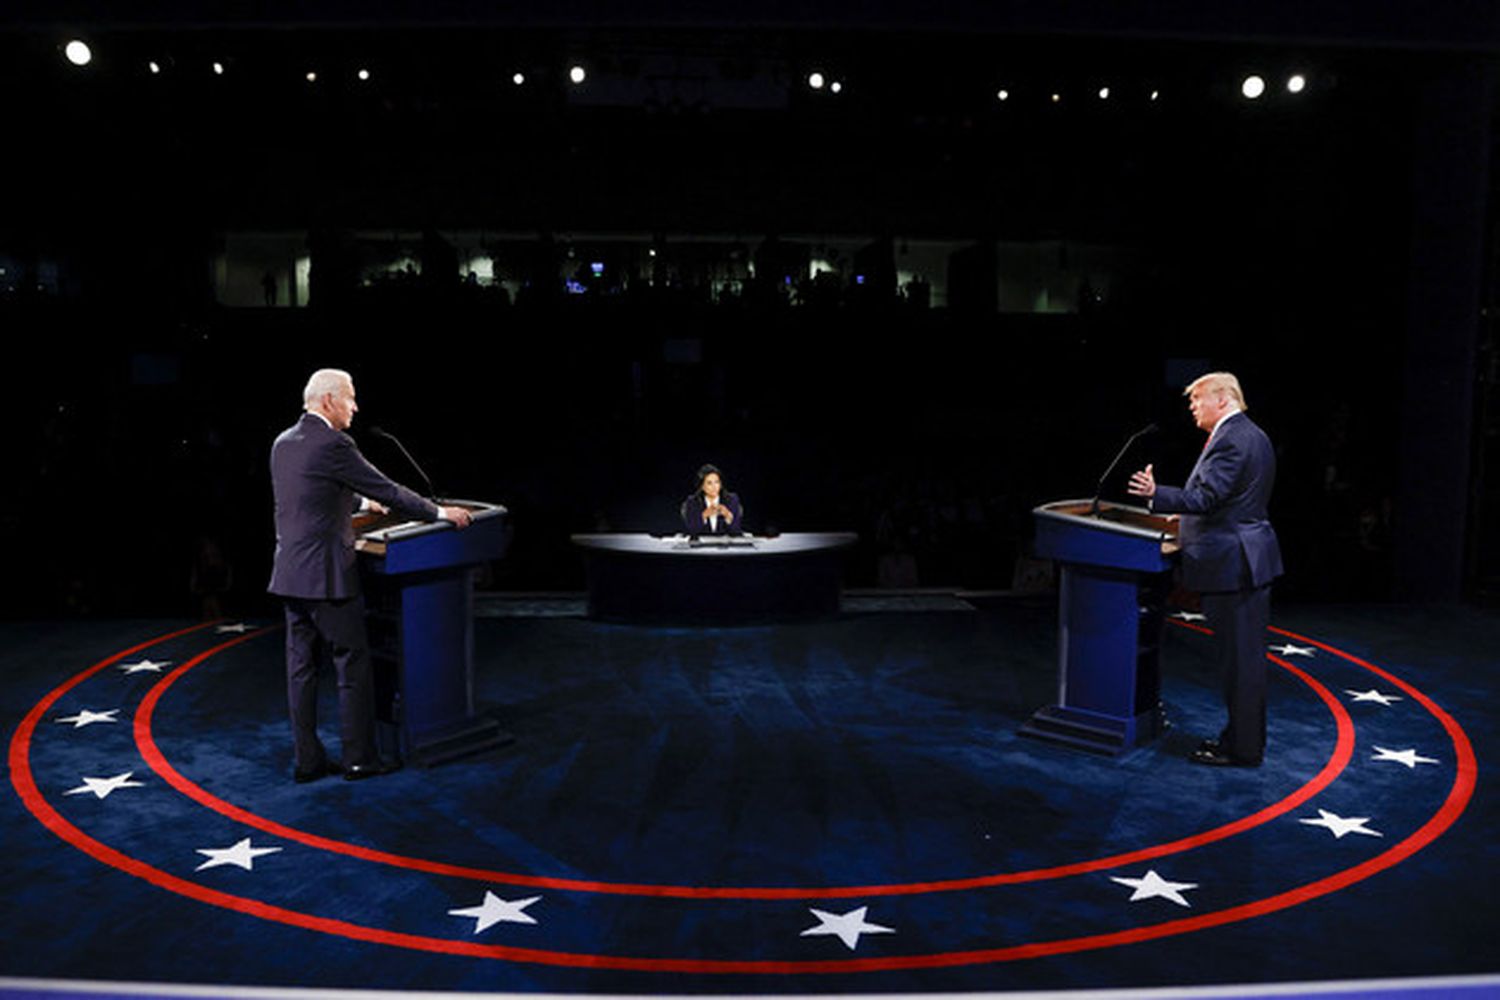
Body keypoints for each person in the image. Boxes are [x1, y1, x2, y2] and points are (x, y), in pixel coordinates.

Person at [268, 368, 472, 783]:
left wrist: (358, 500)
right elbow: (389, 488)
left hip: (290, 574)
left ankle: (307, 761)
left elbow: (311, 495)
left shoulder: (283, 443)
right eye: (350, 397)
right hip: (327, 576)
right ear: (328, 401)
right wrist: (438, 512)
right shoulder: (335, 442)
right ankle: (360, 758)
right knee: (352, 663)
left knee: (301, 670)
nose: (355, 406)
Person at [1128, 372, 1283, 767]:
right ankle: (1240, 741)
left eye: (1197, 399)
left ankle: (1243, 749)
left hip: (1235, 564)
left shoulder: (1233, 438)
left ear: (1223, 398)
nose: (1192, 407)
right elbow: (1228, 501)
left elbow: (1208, 497)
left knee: (1241, 665)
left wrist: (1155, 494)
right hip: (1241, 559)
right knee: (1241, 663)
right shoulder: (1250, 434)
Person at [679, 463, 743, 535]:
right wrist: (704, 515)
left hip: (725, 545)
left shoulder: (731, 500)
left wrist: (728, 515)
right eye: (709, 483)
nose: (714, 486)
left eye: (717, 482)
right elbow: (691, 531)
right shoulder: (693, 502)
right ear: (702, 486)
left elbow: (737, 531)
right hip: (701, 545)